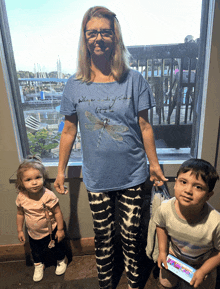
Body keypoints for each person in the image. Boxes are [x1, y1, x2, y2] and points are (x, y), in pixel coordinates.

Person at [54, 6, 167, 289]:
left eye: (106, 32)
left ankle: (134, 281)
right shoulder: (74, 85)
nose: (99, 38)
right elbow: (69, 131)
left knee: (131, 233)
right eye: (92, 33)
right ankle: (105, 281)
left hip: (132, 174)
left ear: (115, 38)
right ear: (85, 38)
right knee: (103, 235)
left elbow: (145, 127)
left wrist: (154, 165)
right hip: (97, 177)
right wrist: (60, 171)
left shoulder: (134, 80)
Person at [154, 158, 220, 289]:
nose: (188, 190)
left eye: (198, 187)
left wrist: (203, 271)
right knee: (165, 284)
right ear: (175, 183)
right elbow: (160, 226)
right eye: (183, 182)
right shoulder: (165, 209)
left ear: (208, 195)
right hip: (174, 256)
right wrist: (162, 251)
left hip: (202, 263)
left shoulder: (215, 222)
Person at [16, 155, 68, 282]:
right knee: (36, 251)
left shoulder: (48, 195)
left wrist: (60, 230)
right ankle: (38, 265)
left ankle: (61, 260)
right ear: (21, 182)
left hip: (51, 230)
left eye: (38, 178)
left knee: (57, 247)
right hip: (33, 233)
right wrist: (20, 230)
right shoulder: (21, 197)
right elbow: (20, 214)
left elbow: (57, 213)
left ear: (43, 178)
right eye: (28, 179)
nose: (34, 182)